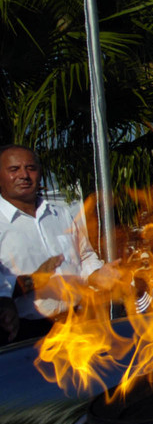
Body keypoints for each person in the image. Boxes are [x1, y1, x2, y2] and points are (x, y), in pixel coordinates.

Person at [0, 145, 118, 342]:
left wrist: (97, 274)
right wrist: (32, 281)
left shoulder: (60, 215)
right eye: (14, 169)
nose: (24, 175)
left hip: (77, 324)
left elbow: (85, 256)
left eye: (30, 168)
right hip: (27, 332)